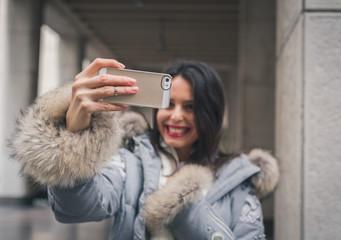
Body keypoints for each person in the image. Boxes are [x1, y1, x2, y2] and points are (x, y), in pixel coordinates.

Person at [9, 58, 279, 240]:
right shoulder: (131, 162)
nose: (175, 117)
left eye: (191, 107)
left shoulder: (238, 176)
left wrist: (181, 200)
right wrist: (76, 135)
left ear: (213, 114)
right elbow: (74, 210)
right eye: (168, 104)